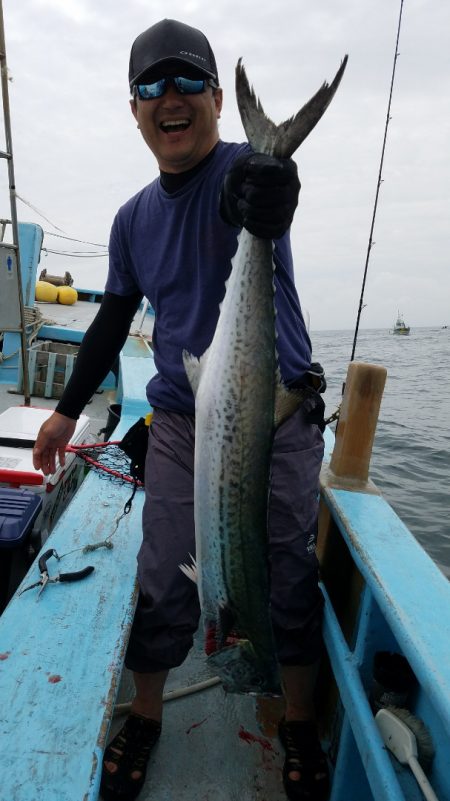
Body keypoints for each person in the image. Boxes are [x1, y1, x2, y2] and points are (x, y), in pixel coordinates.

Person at [33, 18, 328, 801]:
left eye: (188, 81)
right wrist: (65, 412)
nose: (171, 98)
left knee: (288, 569)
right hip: (182, 418)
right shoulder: (132, 219)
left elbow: (260, 197)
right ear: (134, 108)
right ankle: (149, 711)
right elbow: (110, 316)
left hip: (272, 412)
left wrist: (273, 185)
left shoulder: (242, 168)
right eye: (152, 85)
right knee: (163, 574)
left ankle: (297, 718)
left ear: (217, 98)